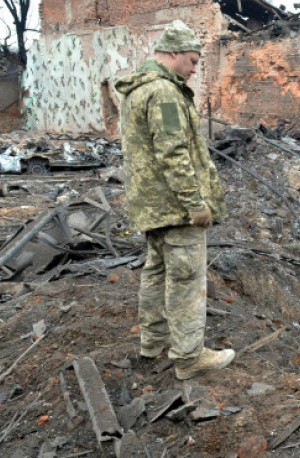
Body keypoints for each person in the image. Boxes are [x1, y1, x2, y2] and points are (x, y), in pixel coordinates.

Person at [115, 20, 234, 380]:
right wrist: (195, 202)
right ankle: (188, 357)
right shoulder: (165, 94)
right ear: (173, 54)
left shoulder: (139, 89)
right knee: (186, 278)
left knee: (157, 272)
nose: (195, 69)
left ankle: (153, 344)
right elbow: (173, 151)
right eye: (193, 61)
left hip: (152, 206)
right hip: (174, 208)